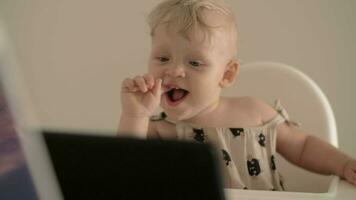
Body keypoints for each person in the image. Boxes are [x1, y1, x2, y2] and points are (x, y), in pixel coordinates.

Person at [118, 0, 356, 190]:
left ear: (228, 74)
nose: (174, 70)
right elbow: (125, 167)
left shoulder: (254, 114)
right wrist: (135, 115)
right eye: (162, 58)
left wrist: (344, 164)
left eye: (194, 62)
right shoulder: (159, 129)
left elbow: (303, 146)